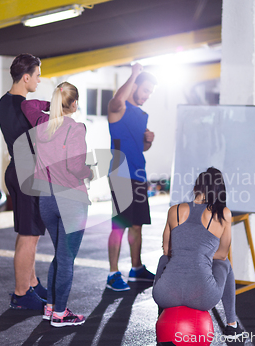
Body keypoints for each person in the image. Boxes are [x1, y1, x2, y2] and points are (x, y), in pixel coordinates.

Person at [22, 82, 93, 327]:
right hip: (71, 200)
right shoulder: (75, 127)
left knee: (60, 256)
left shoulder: (42, 125)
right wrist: (89, 172)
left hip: (47, 201)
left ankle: (51, 307)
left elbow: (27, 104)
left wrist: (52, 105)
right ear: (74, 104)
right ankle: (61, 314)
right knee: (66, 258)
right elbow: (75, 166)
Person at [152, 167, 245, 341]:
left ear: (196, 188)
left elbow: (167, 250)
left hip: (165, 295)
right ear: (219, 191)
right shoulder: (223, 213)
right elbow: (223, 254)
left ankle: (161, 317)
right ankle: (232, 326)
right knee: (225, 264)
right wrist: (202, 256)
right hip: (202, 296)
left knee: (163, 259)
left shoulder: (174, 210)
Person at [0, 53, 47, 310]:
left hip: (17, 170)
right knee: (29, 235)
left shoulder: (5, 102)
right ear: (26, 77)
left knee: (29, 233)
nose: (39, 80)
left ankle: (32, 283)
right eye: (37, 76)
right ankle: (21, 293)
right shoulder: (23, 107)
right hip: (27, 174)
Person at [106, 63, 157, 291]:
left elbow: (140, 148)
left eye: (150, 93)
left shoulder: (142, 114)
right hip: (120, 174)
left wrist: (148, 141)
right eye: (145, 90)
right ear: (135, 86)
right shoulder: (119, 108)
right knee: (120, 226)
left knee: (137, 225)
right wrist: (134, 73)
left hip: (138, 174)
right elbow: (117, 100)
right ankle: (113, 274)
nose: (147, 96)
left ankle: (136, 268)